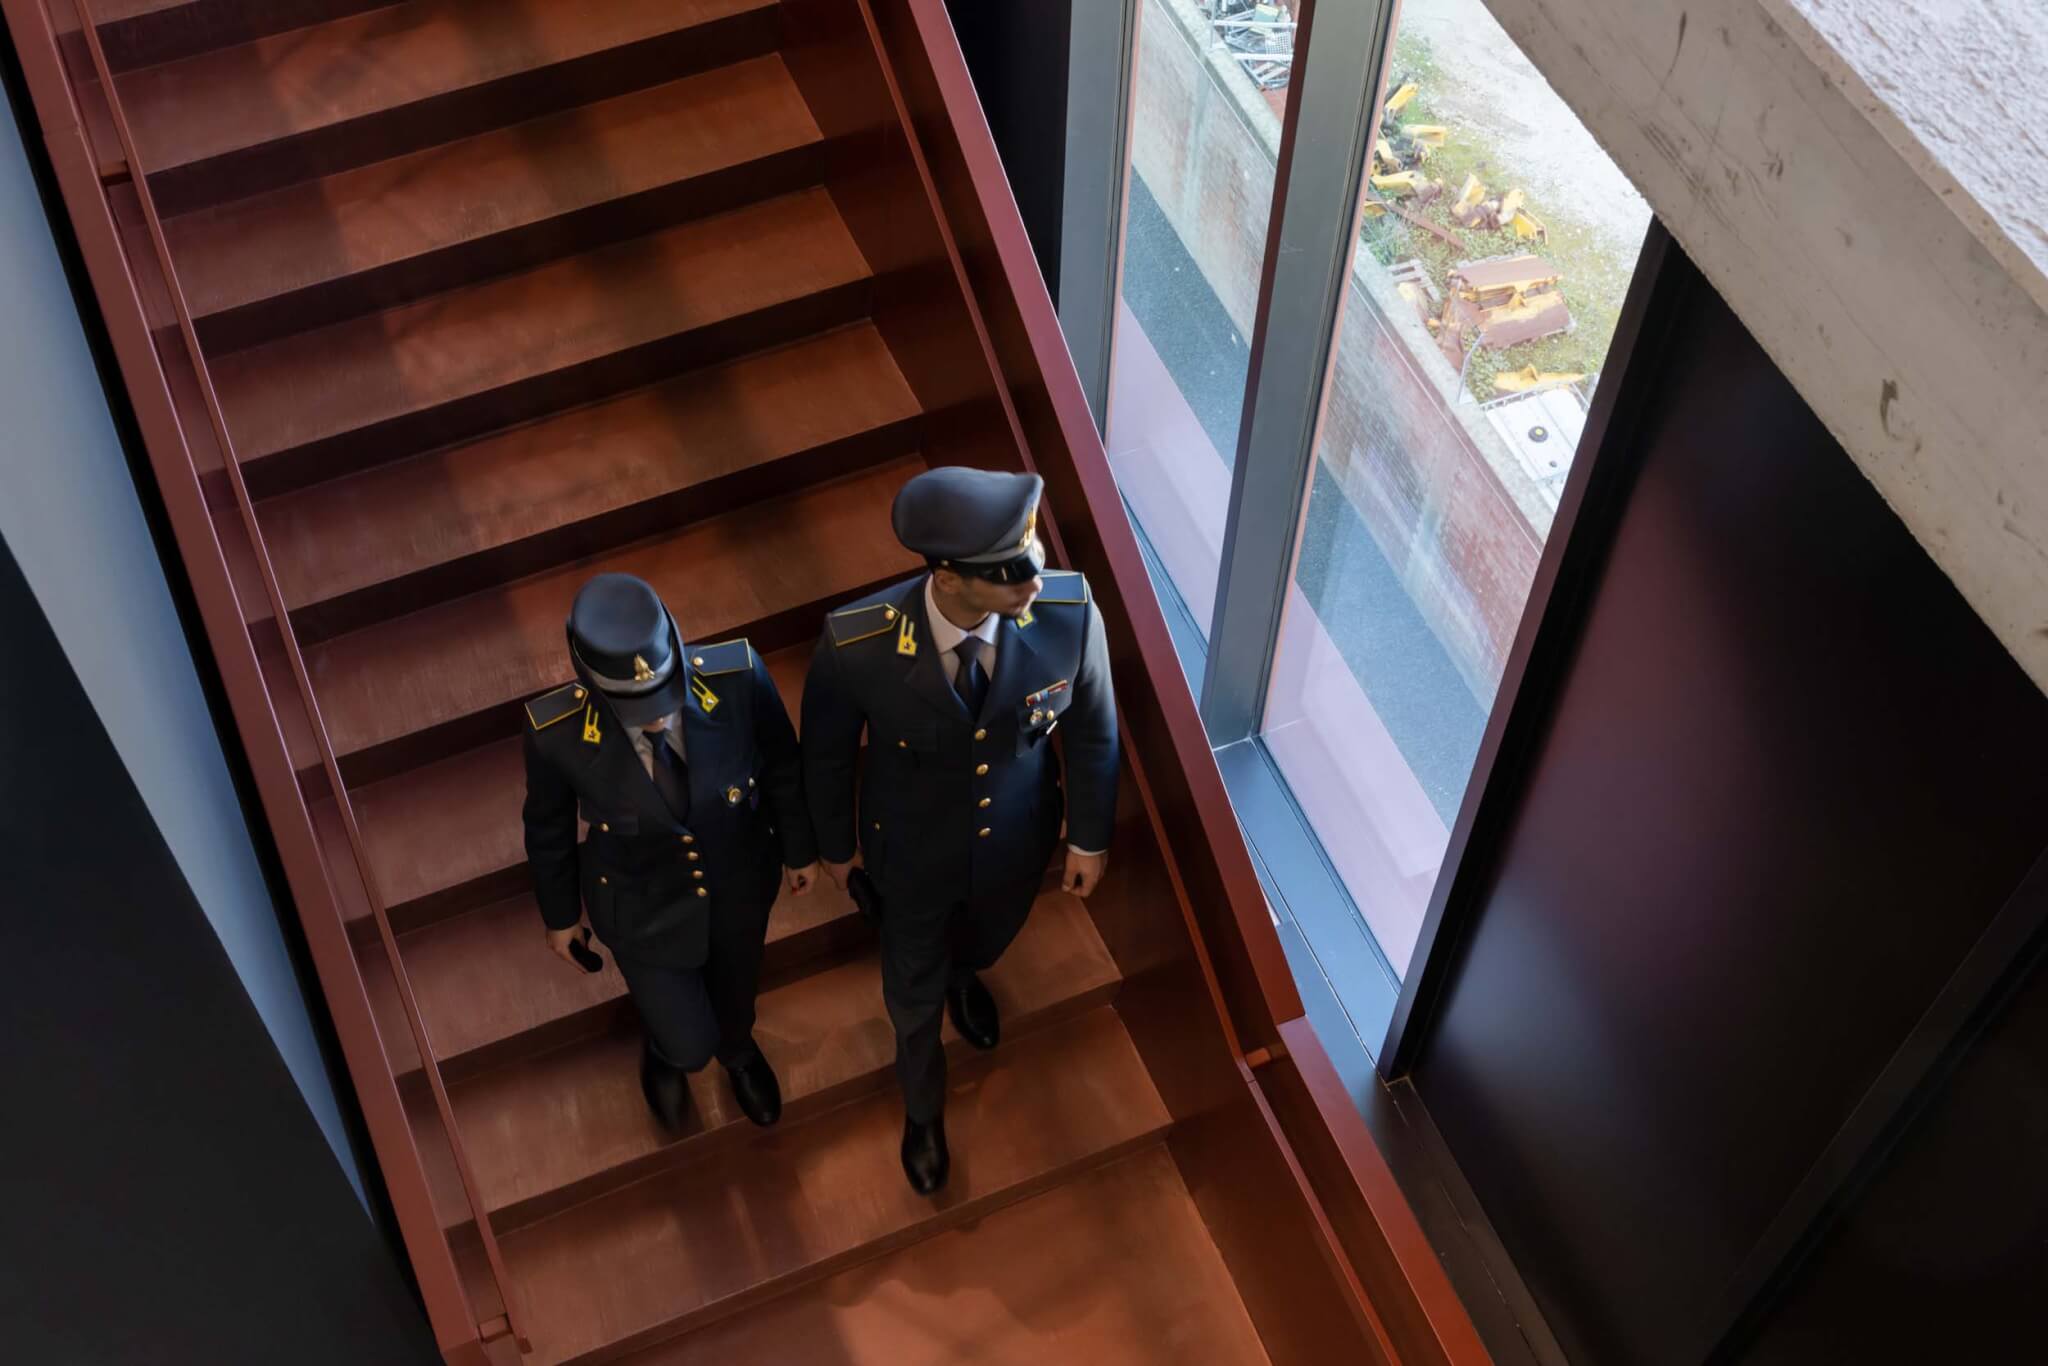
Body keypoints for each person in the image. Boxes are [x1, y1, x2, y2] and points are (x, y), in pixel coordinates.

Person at [802, 467, 1119, 1194]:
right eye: (1011, 575)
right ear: (947, 578)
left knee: (982, 942)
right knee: (911, 999)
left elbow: (1095, 730)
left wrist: (1088, 837)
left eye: (1033, 562)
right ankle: (922, 1111)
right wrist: (834, 847)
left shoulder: (1069, 616)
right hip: (909, 858)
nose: (1033, 585)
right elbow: (822, 752)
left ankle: (965, 974)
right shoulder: (861, 645)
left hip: (1014, 848)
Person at [522, 572, 819, 1133]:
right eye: (638, 708)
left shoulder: (736, 675)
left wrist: (798, 849)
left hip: (737, 885)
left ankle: (739, 1054)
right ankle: (667, 1053)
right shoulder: (556, 734)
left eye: (663, 694)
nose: (658, 717)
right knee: (689, 1044)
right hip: (641, 906)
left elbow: (781, 763)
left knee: (736, 1007)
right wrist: (561, 916)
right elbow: (547, 825)